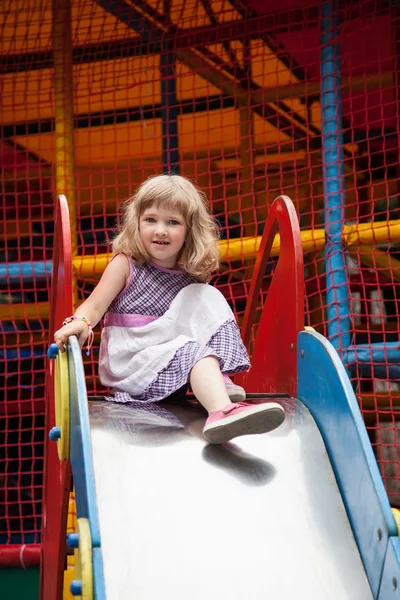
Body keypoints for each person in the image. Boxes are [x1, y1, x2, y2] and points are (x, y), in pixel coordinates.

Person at [54, 174, 285, 444]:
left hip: (169, 356)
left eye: (172, 222)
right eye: (150, 220)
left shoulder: (189, 276)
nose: (160, 230)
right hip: (132, 362)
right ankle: (221, 410)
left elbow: (197, 321)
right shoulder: (126, 265)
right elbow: (94, 305)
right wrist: (81, 321)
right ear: (136, 223)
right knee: (192, 351)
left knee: (205, 295)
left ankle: (214, 381)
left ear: (190, 231)